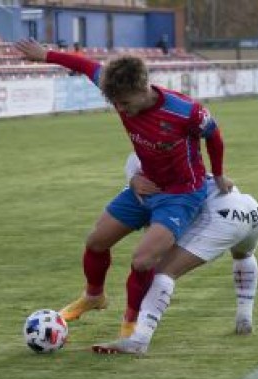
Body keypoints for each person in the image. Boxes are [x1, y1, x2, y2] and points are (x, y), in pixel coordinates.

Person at [15, 39, 232, 337]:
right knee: (95, 241)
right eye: (114, 103)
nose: (120, 110)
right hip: (144, 188)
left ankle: (131, 324)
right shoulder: (117, 87)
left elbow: (214, 136)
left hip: (181, 195)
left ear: (143, 89)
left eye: (125, 103)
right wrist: (46, 56)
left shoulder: (185, 112)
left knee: (143, 260)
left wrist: (219, 175)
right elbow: (86, 66)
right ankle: (94, 296)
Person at [91, 153, 258, 354]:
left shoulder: (160, 187)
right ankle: (244, 318)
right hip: (252, 210)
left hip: (224, 217)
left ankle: (139, 340)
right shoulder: (189, 171)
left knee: (162, 272)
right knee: (243, 254)